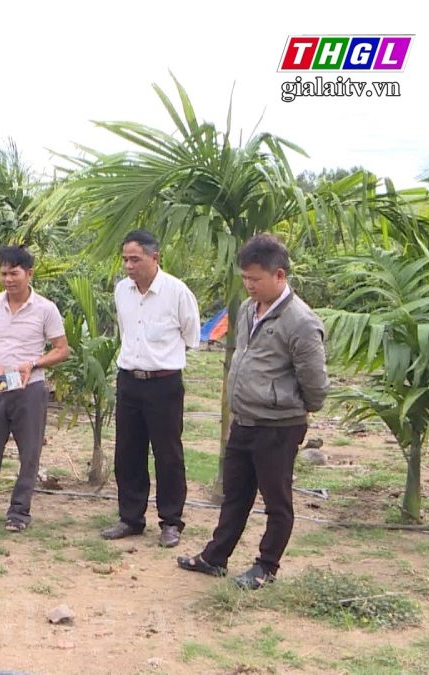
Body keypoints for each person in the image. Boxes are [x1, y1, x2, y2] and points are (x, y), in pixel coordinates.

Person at [177, 234, 328, 589]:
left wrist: (291, 407)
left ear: (279, 275)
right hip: (244, 421)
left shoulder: (301, 321)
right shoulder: (248, 309)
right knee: (235, 495)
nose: (249, 285)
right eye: (245, 278)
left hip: (278, 426)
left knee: (276, 500)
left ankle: (266, 566)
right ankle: (216, 557)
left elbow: (315, 383)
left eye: (255, 279)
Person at [100, 230, 201, 548]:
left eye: (135, 259)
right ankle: (130, 518)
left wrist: (161, 358)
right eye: (125, 260)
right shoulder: (122, 291)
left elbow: (191, 335)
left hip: (164, 383)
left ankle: (171, 521)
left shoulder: (177, 292)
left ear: (154, 258)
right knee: (127, 451)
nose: (129, 266)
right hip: (129, 380)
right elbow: (126, 331)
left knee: (167, 454)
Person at [0, 245, 68, 532]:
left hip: (30, 387)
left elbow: (62, 349)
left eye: (14, 273)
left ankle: (19, 513)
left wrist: (34, 363)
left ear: (29, 273)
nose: (8, 279)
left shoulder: (45, 308)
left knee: (29, 452)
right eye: (4, 273)